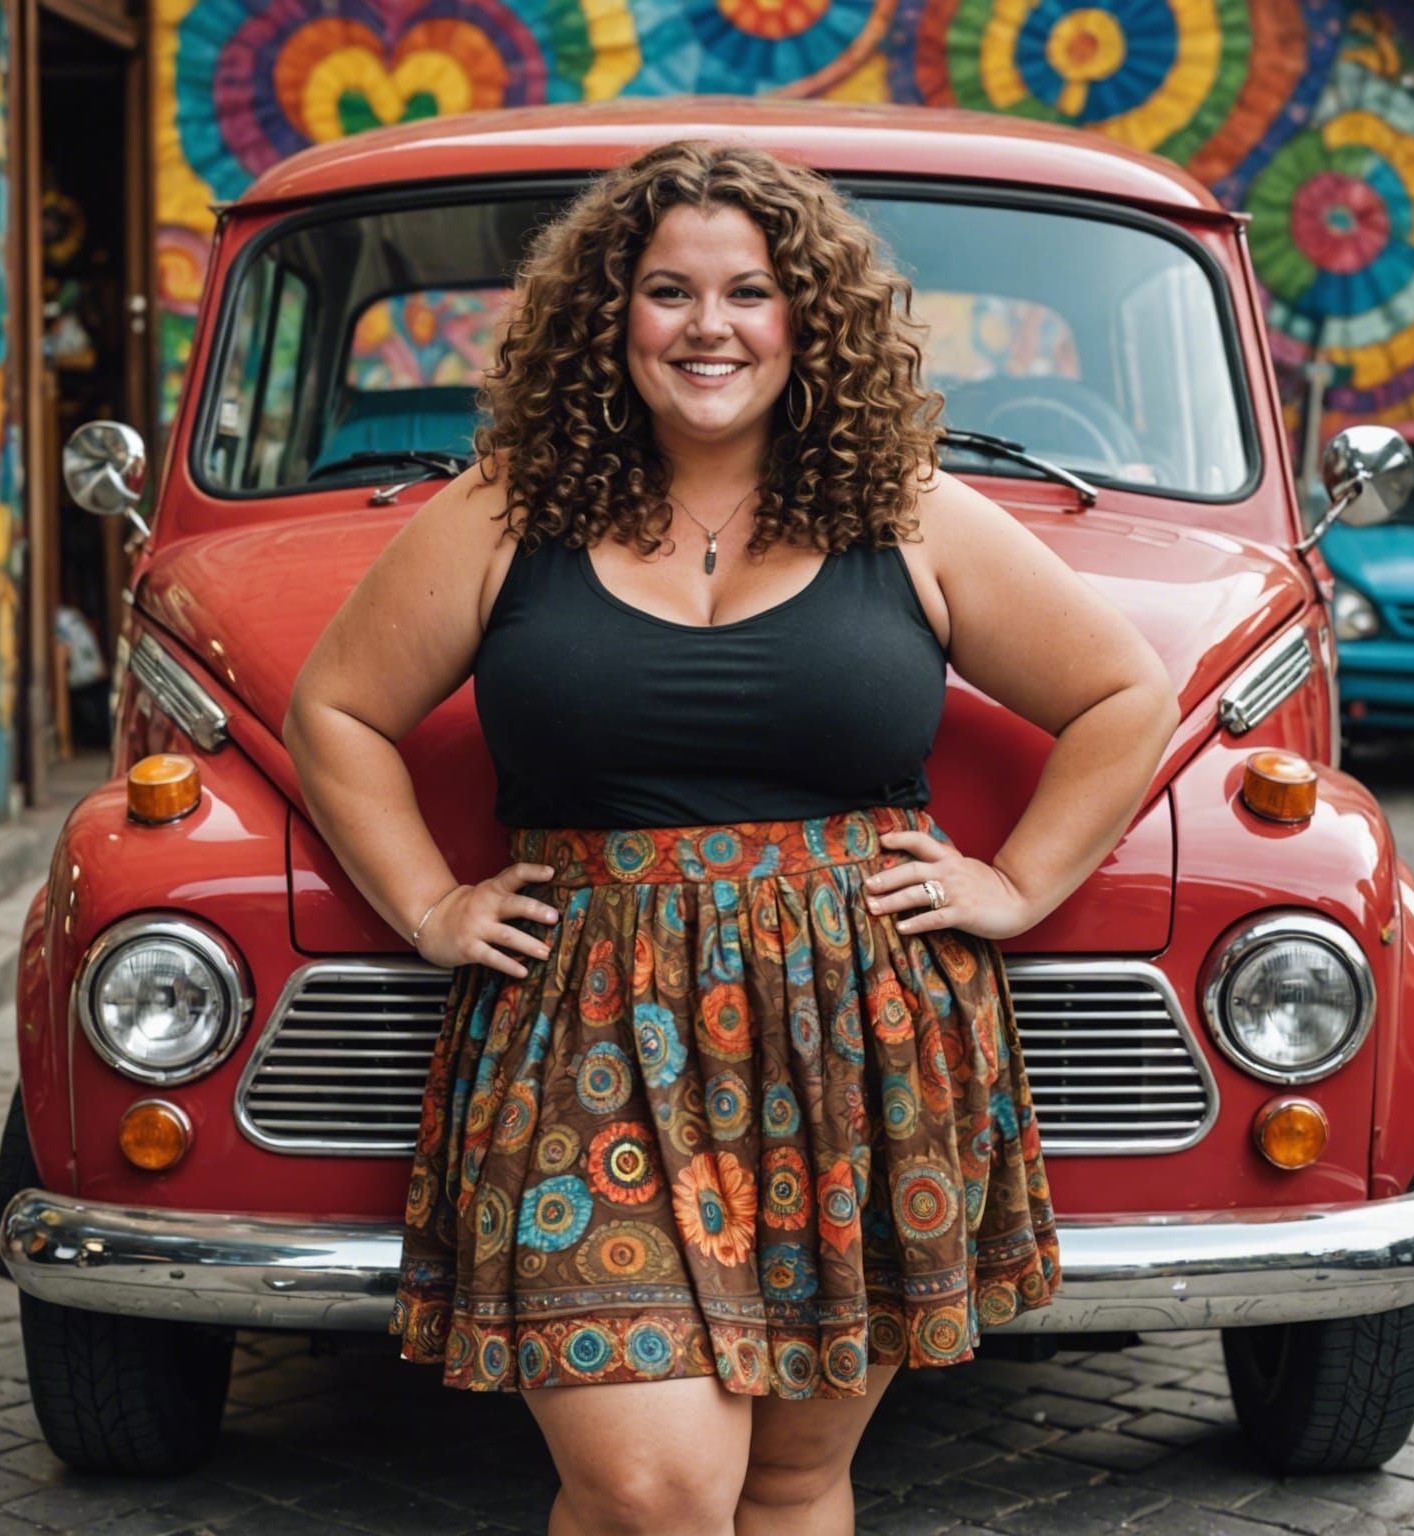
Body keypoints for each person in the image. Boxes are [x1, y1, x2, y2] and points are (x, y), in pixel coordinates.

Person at [283, 139, 1179, 1536]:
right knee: (652, 1488)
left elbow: (1127, 695)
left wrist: (1016, 882)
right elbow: (335, 707)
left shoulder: (909, 510)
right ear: (609, 316)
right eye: (668, 290)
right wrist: (426, 905)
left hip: (857, 1035)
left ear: (805, 317)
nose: (711, 326)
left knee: (790, 1479)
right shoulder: (510, 509)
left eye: (750, 291)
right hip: (584, 1029)